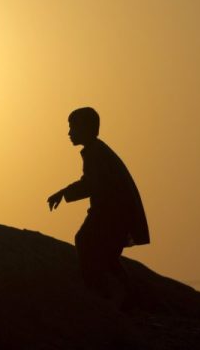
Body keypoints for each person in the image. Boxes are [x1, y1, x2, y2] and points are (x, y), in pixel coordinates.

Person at [47, 107, 149, 307]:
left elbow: (92, 184)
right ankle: (126, 295)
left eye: (73, 128)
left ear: (85, 128)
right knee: (106, 254)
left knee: (85, 241)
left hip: (111, 214)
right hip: (114, 213)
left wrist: (63, 193)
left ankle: (97, 293)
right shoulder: (97, 151)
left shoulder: (96, 153)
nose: (69, 133)